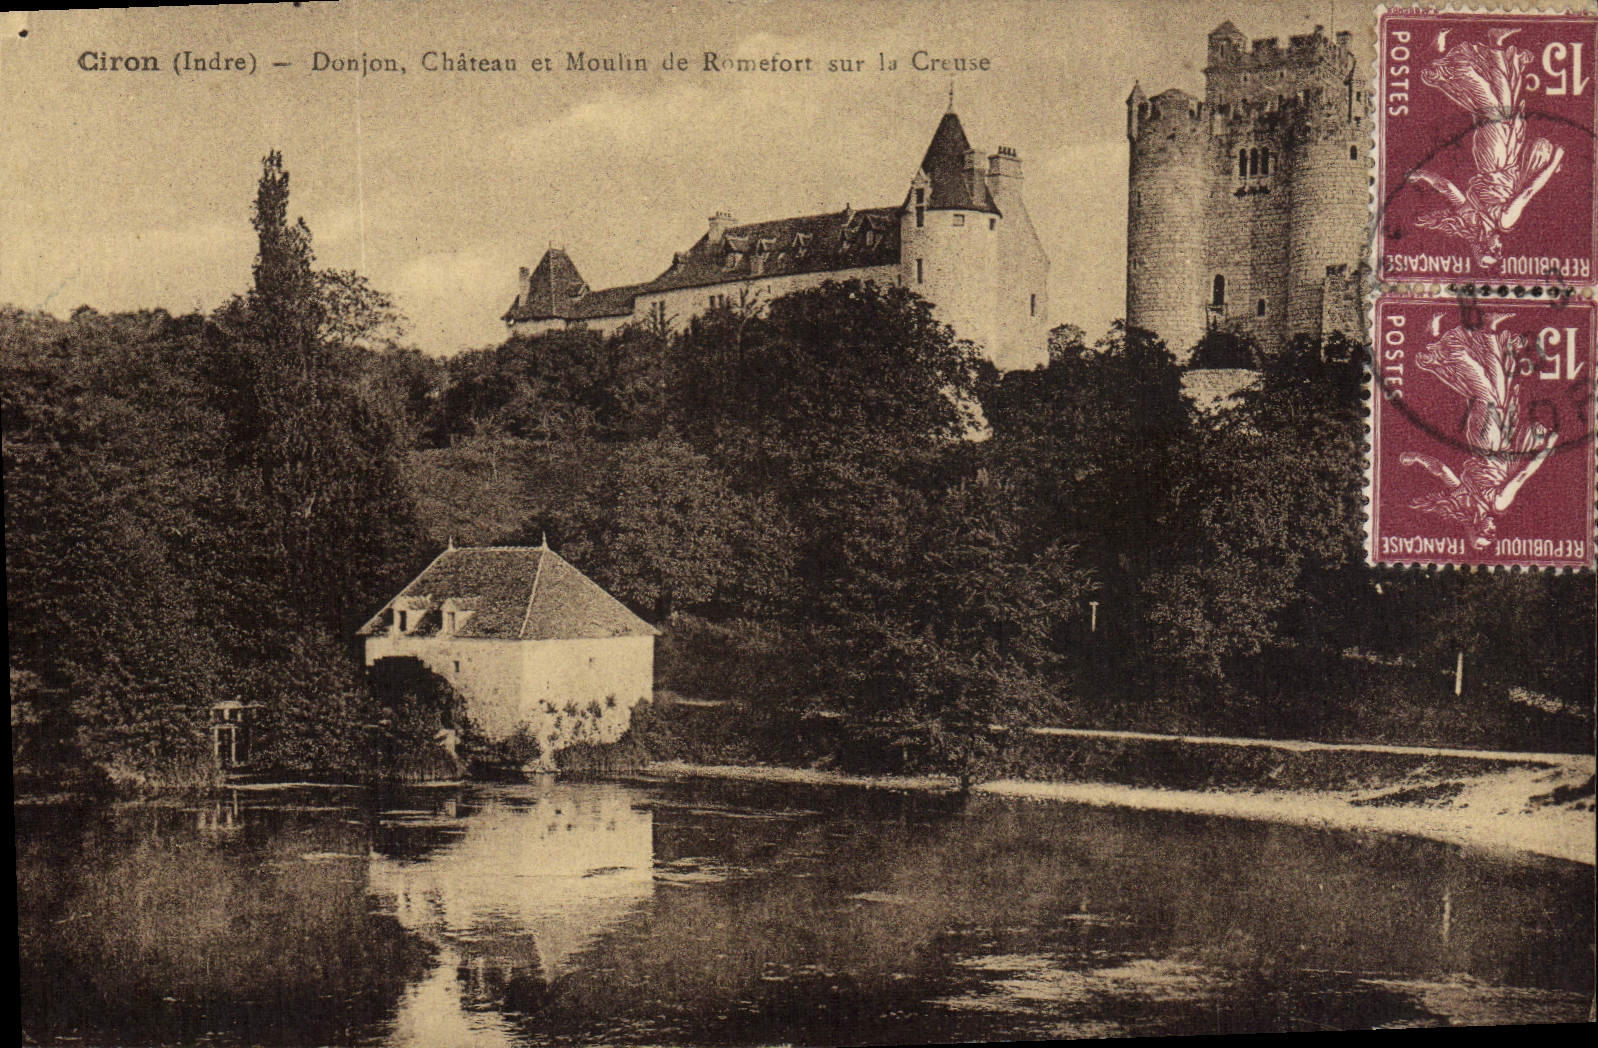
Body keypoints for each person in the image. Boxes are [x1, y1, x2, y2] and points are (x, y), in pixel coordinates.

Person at [1400, 317, 1558, 550]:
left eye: (1486, 533)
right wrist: (1416, 458)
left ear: (1475, 527)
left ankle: (1454, 350)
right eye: (1493, 534)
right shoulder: (1466, 498)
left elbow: (1524, 473)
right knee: (1498, 391)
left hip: (1488, 442)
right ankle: (1489, 333)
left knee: (1487, 396)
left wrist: (1546, 449)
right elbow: (1443, 471)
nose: (1493, 529)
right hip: (1498, 439)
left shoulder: (1495, 503)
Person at [1407, 38, 1564, 267]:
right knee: (1504, 104)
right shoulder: (1471, 218)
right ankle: (1496, 45)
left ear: (1485, 245)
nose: (1500, 247)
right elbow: (1448, 188)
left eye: (1496, 250)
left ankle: (1460, 70)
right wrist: (1422, 175)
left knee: (1491, 108)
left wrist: (1554, 161)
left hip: (1497, 158)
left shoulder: (1503, 221)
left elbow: (1529, 190)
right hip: (1502, 157)